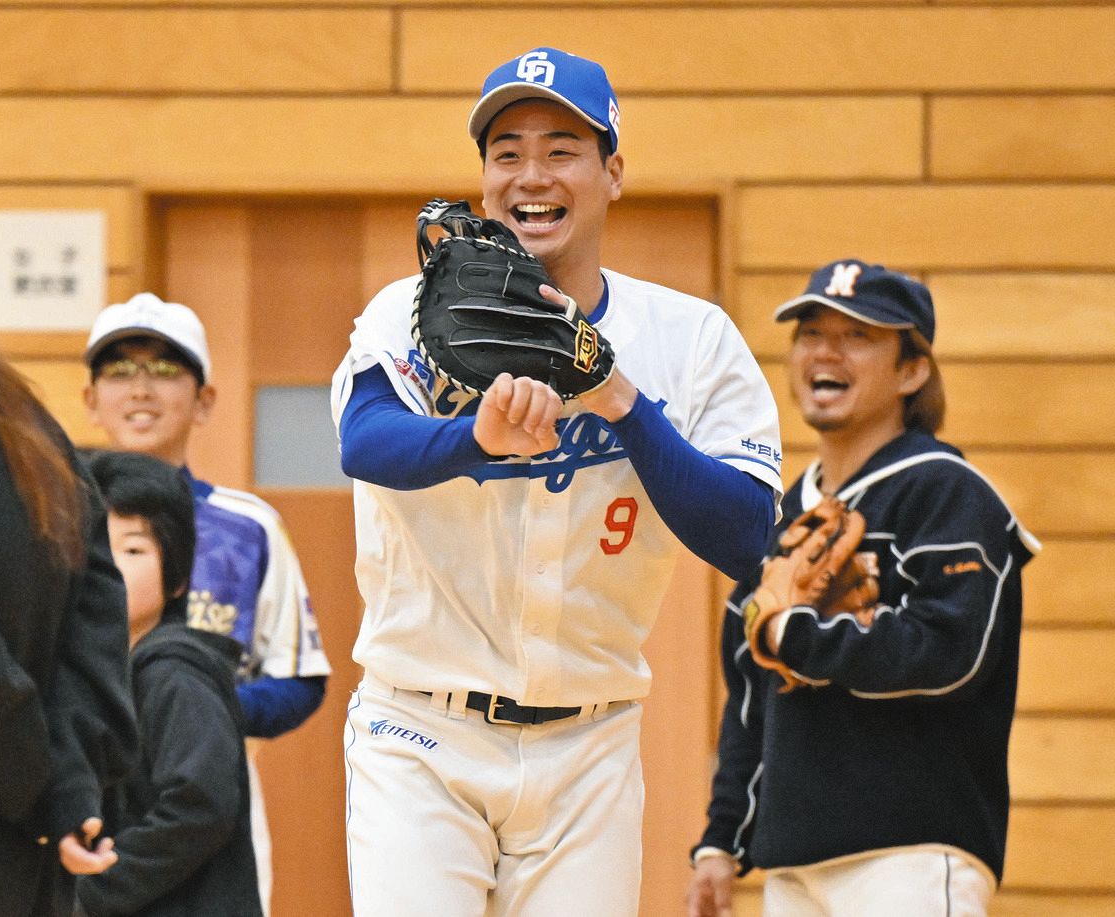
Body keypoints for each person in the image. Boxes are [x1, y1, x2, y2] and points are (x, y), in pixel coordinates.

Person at [331, 48, 782, 916]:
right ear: (484, 177)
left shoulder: (691, 338)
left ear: (613, 171)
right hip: (420, 731)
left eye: (561, 149)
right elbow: (366, 439)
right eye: (506, 153)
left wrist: (618, 396)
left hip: (591, 744)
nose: (529, 175)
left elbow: (748, 534)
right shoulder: (414, 309)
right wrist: (477, 439)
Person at [687, 260, 1039, 917]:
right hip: (793, 862)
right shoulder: (781, 519)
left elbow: (950, 650)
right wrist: (722, 840)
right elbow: (751, 700)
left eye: (858, 335)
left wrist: (803, 635)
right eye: (811, 332)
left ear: (912, 370)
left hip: (909, 854)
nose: (825, 350)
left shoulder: (945, 491)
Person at [0, 139, 138, 915]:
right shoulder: (22, 415)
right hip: (20, 854)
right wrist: (66, 782)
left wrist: (39, 780)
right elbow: (97, 610)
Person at [82, 293, 332, 913]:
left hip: (206, 793)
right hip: (81, 793)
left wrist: (190, 717)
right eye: (119, 371)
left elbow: (300, 680)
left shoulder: (249, 527)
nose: (141, 389)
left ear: (205, 399)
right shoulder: (50, 520)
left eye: (166, 370)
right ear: (89, 398)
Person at [76, 450, 262, 916]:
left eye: (133, 550)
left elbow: (199, 806)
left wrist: (90, 891)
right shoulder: (96, 674)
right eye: (96, 546)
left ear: (177, 579)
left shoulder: (175, 675)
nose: (109, 567)